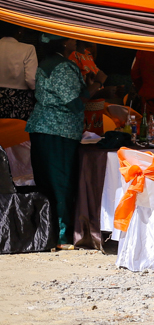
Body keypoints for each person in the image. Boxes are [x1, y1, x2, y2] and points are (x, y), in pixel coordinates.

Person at [27, 35, 101, 248]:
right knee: (61, 183)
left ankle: (45, 233)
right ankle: (60, 236)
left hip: (44, 129)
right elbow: (75, 103)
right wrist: (98, 82)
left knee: (46, 182)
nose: (75, 41)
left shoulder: (47, 63)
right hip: (58, 130)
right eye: (71, 39)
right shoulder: (63, 67)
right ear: (64, 43)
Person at [0, 21, 37, 120]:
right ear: (20, 30)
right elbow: (31, 80)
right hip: (19, 100)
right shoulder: (28, 49)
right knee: (16, 133)